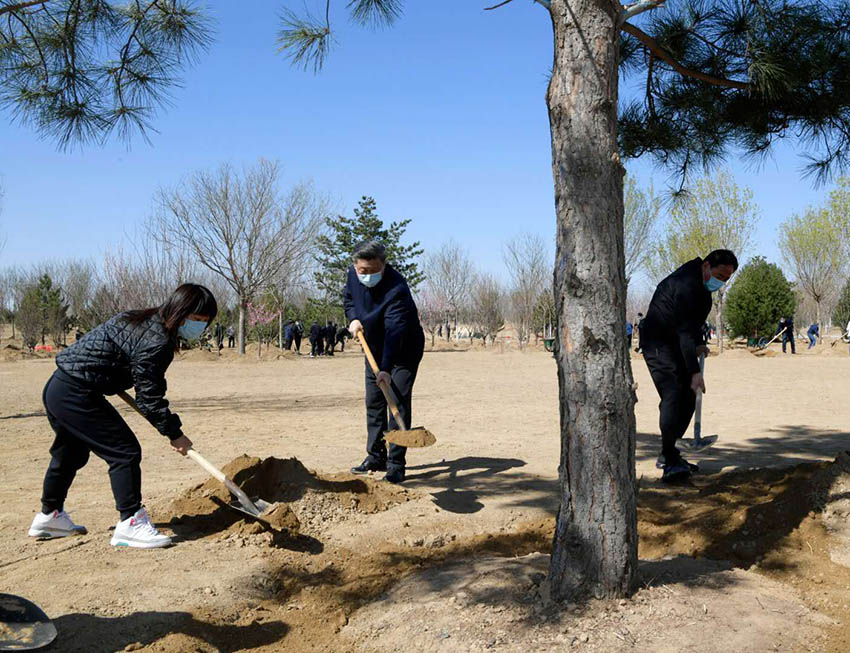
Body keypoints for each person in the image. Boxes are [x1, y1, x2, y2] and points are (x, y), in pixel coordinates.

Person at [29, 284, 217, 548]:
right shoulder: (157, 341)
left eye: (205, 322)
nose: (200, 327)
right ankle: (130, 522)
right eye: (196, 319)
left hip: (59, 387)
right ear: (179, 311)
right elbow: (149, 398)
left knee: (70, 453)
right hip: (76, 392)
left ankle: (50, 516)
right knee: (124, 451)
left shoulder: (140, 318)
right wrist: (175, 433)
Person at [640, 250, 738, 482]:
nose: (721, 282)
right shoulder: (686, 283)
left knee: (688, 397)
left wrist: (700, 343)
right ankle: (670, 461)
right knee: (673, 394)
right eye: (719, 275)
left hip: (675, 344)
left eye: (726, 279)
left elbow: (693, 325)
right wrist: (694, 372)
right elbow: (684, 332)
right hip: (658, 343)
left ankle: (669, 453)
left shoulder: (702, 290)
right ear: (706, 266)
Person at [345, 240, 425, 484]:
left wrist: (387, 369)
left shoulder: (396, 288)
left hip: (403, 350)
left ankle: (396, 464)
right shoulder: (352, 275)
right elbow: (349, 300)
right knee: (374, 401)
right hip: (373, 346)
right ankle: (376, 456)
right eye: (362, 271)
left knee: (396, 402)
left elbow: (395, 331)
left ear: (384, 265)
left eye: (373, 270)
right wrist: (353, 319)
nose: (366, 275)